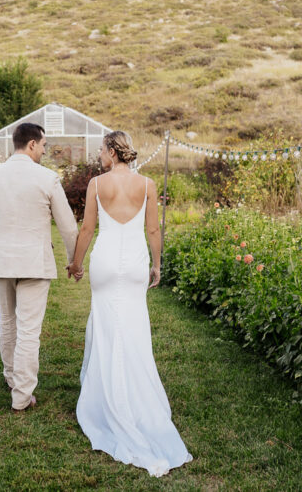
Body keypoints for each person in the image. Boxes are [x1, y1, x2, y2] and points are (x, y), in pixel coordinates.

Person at [67, 131, 192, 476]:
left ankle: (105, 397)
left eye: (101, 151)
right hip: (135, 261)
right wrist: (157, 264)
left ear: (111, 151)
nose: (99, 157)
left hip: (106, 261)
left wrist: (76, 264)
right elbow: (153, 231)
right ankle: (137, 398)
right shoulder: (148, 185)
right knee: (134, 328)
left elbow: (88, 229)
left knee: (106, 325)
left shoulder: (96, 185)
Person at [0, 122, 78, 411]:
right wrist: (74, 261)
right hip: (34, 263)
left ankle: (12, 379)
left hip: (0, 262)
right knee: (29, 331)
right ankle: (21, 396)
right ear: (31, 144)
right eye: (43, 145)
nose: (44, 150)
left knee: (7, 322)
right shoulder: (47, 178)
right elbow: (68, 227)